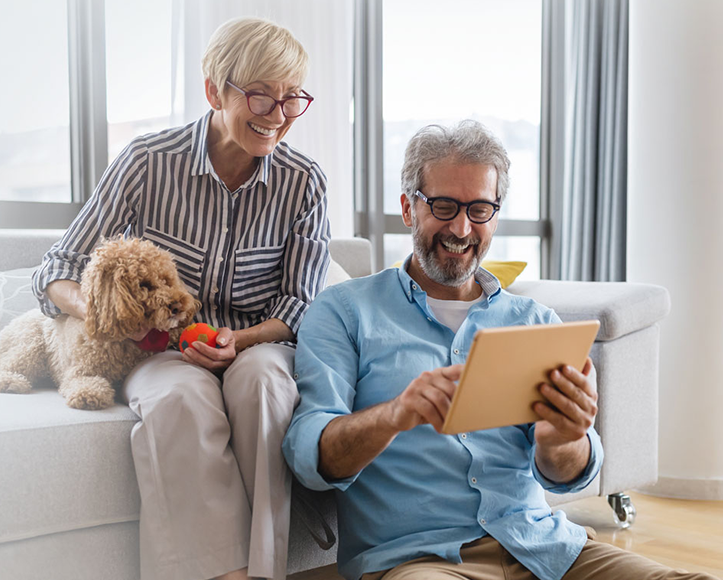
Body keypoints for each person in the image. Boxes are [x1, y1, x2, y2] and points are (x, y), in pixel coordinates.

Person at [282, 122, 718, 580]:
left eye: (480, 209)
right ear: (409, 208)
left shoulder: (534, 322)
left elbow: (570, 471)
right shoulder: (345, 310)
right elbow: (310, 457)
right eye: (444, 206)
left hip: (547, 550)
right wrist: (396, 414)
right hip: (420, 560)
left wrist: (562, 439)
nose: (461, 227)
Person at [32, 17, 330, 580]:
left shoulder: (305, 182)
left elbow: (297, 306)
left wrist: (237, 340)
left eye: (292, 99)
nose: (278, 116)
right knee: (179, 401)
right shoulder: (147, 161)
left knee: (267, 386)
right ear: (215, 89)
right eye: (262, 96)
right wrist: (113, 320)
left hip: (255, 344)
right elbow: (58, 270)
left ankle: (266, 571)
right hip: (158, 350)